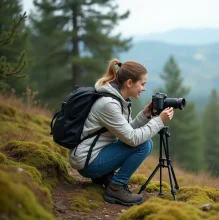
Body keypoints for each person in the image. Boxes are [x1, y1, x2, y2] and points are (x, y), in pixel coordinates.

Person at [69, 58, 174, 206]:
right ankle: (116, 187)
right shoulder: (109, 104)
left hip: (94, 154)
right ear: (129, 83)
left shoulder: (119, 99)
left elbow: (125, 130)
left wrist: (144, 116)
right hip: (88, 162)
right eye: (142, 84)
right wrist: (159, 121)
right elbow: (132, 139)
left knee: (141, 142)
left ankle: (105, 176)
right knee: (144, 145)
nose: (144, 89)